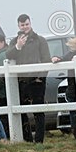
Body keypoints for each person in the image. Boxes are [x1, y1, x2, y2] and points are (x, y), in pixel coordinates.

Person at [6, 14, 51, 143]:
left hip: (37, 81)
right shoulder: (14, 41)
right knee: (21, 111)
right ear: (18, 26)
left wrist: (41, 78)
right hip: (21, 81)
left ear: (30, 24)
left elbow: (46, 60)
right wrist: (18, 46)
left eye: (26, 24)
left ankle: (39, 141)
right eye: (22, 25)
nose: (25, 27)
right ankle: (27, 139)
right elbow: (8, 55)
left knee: (38, 111)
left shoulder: (40, 40)